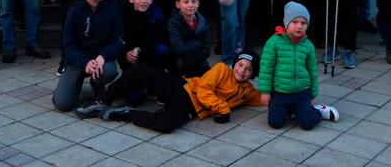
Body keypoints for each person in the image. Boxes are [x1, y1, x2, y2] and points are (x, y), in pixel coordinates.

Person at [75, 50, 266, 134]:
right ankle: (102, 100)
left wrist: (285, 99)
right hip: (185, 88)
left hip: (191, 109)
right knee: (140, 70)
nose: (242, 70)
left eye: (248, 69)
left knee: (166, 126)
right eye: (240, 65)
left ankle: (125, 113)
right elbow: (204, 90)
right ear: (235, 63)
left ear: (252, 74)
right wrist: (222, 108)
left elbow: (263, 99)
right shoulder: (222, 69)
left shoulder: (247, 91)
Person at [52, 0, 125, 112]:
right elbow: (67, 44)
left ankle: (97, 84)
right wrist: (84, 62)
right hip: (79, 61)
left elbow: (119, 40)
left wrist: (103, 56)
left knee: (110, 72)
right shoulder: (74, 11)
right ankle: (73, 84)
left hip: (101, 60)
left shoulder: (113, 11)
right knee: (63, 104)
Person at [259, 2, 339, 129]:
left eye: (303, 23)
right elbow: (266, 69)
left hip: (301, 93)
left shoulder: (308, 45)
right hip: (280, 92)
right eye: (295, 22)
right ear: (286, 23)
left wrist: (313, 95)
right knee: (275, 123)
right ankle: (290, 111)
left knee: (307, 123)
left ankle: (318, 111)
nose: (299, 26)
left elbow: (313, 72)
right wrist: (265, 91)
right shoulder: (274, 42)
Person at [120, 0, 170, 72]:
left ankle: (156, 75)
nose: (143, 1)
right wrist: (126, 52)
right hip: (129, 57)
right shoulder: (123, 14)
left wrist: (139, 49)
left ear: (151, 0)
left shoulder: (157, 13)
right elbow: (119, 37)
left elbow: (160, 36)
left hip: (147, 53)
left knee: (162, 49)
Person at [167, 0, 210, 77]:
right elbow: (178, 48)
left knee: (210, 82)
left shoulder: (202, 21)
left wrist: (196, 57)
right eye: (186, 2)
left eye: (193, 1)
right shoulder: (173, 22)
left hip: (199, 61)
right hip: (181, 64)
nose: (190, 5)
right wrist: (198, 43)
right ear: (178, 4)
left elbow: (207, 49)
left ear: (198, 3)